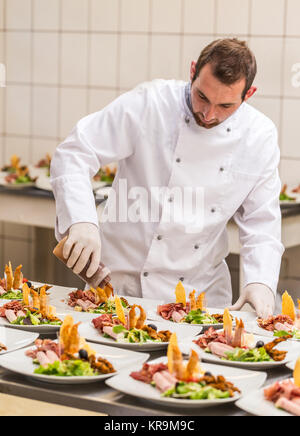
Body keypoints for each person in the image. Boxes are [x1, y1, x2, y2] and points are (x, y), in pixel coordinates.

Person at [50, 38, 284, 318]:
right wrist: (82, 222)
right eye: (202, 97)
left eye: (225, 106)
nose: (209, 114)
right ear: (193, 70)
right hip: (118, 288)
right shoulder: (150, 103)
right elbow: (75, 152)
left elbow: (262, 222)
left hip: (199, 297)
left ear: (249, 93)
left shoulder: (259, 136)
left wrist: (260, 283)